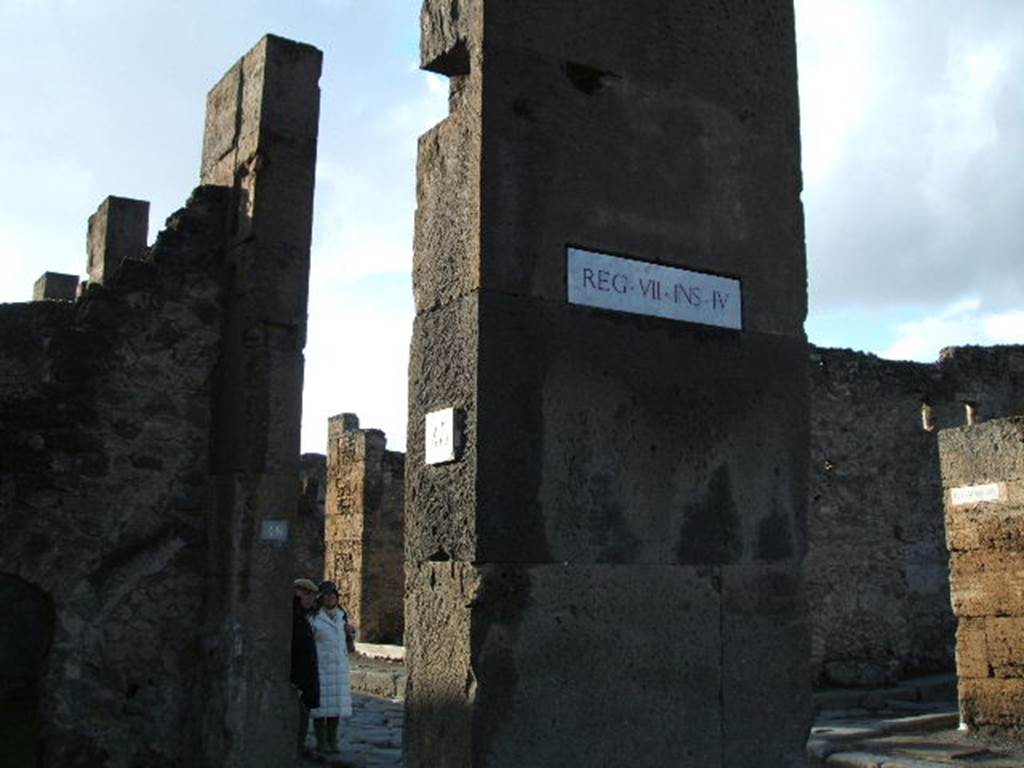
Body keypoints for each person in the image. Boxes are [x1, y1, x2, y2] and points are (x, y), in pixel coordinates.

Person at [309, 580, 356, 755]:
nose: (330, 598)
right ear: (321, 598)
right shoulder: (314, 617)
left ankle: (333, 741)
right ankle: (321, 741)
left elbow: (349, 635)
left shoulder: (342, 615)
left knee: (336, 707)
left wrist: (351, 632)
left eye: (332, 595)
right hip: (321, 665)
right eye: (326, 595)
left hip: (338, 666)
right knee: (320, 708)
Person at [290, 578, 320, 758]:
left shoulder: (303, 618)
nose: (311, 600)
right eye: (307, 595)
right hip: (297, 681)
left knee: (302, 721)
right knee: (296, 721)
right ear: (297, 593)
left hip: (304, 681)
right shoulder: (294, 618)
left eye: (313, 596)